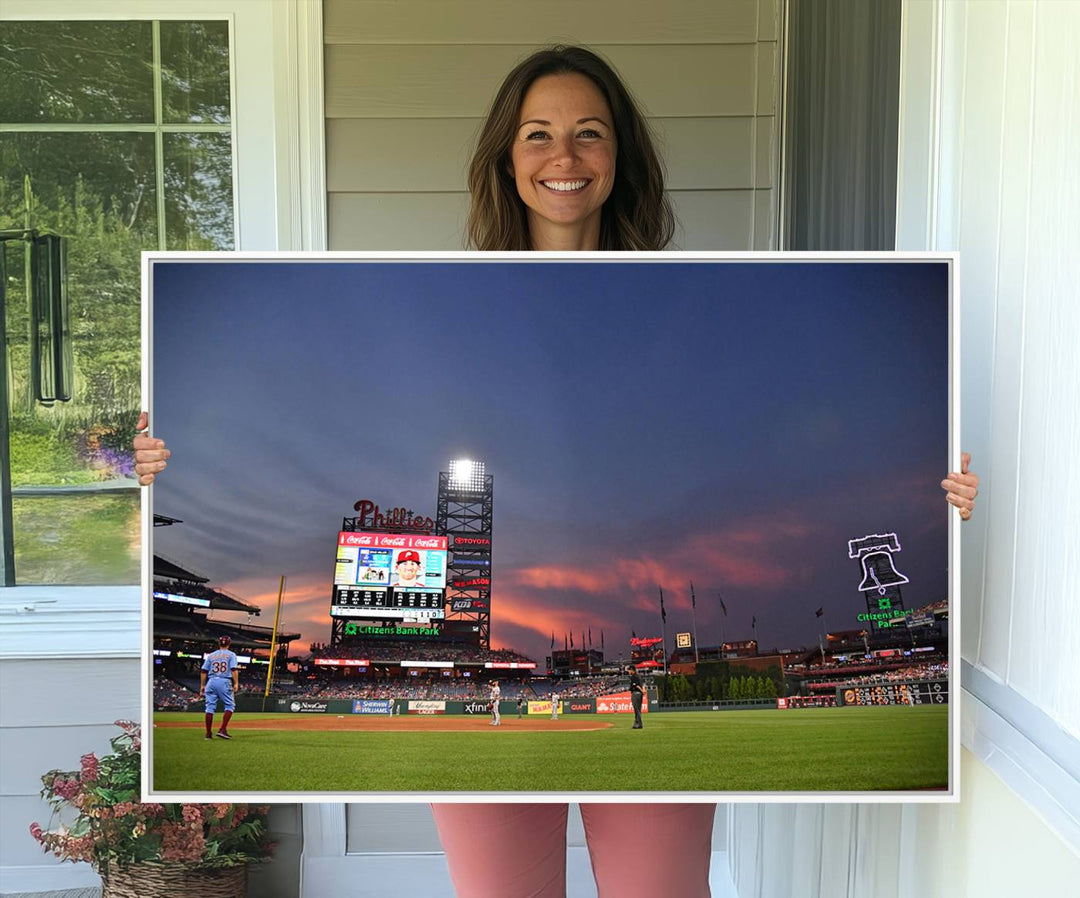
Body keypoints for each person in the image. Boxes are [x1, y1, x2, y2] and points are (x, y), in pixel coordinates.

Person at [134, 43, 980, 898]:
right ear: (507, 157)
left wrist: (933, 490)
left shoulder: (682, 304)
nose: (563, 157)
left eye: (589, 134)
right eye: (537, 134)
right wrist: (158, 465)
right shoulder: (446, 310)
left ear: (621, 158)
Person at [201, 634, 238, 740]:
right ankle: (222, 729)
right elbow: (234, 669)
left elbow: (203, 671)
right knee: (230, 706)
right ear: (229, 644)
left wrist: (202, 685)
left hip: (211, 681)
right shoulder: (231, 655)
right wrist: (236, 683)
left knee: (209, 708)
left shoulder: (211, 655)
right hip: (224, 681)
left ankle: (208, 734)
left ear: (218, 643)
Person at [628, 664, 645, 729]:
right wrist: (643, 690)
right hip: (640, 694)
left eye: (629, 670)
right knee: (638, 709)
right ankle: (639, 724)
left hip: (635, 693)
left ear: (632, 670)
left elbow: (636, 685)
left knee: (636, 710)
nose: (629, 671)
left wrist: (642, 690)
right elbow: (642, 684)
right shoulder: (639, 676)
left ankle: (637, 724)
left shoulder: (633, 676)